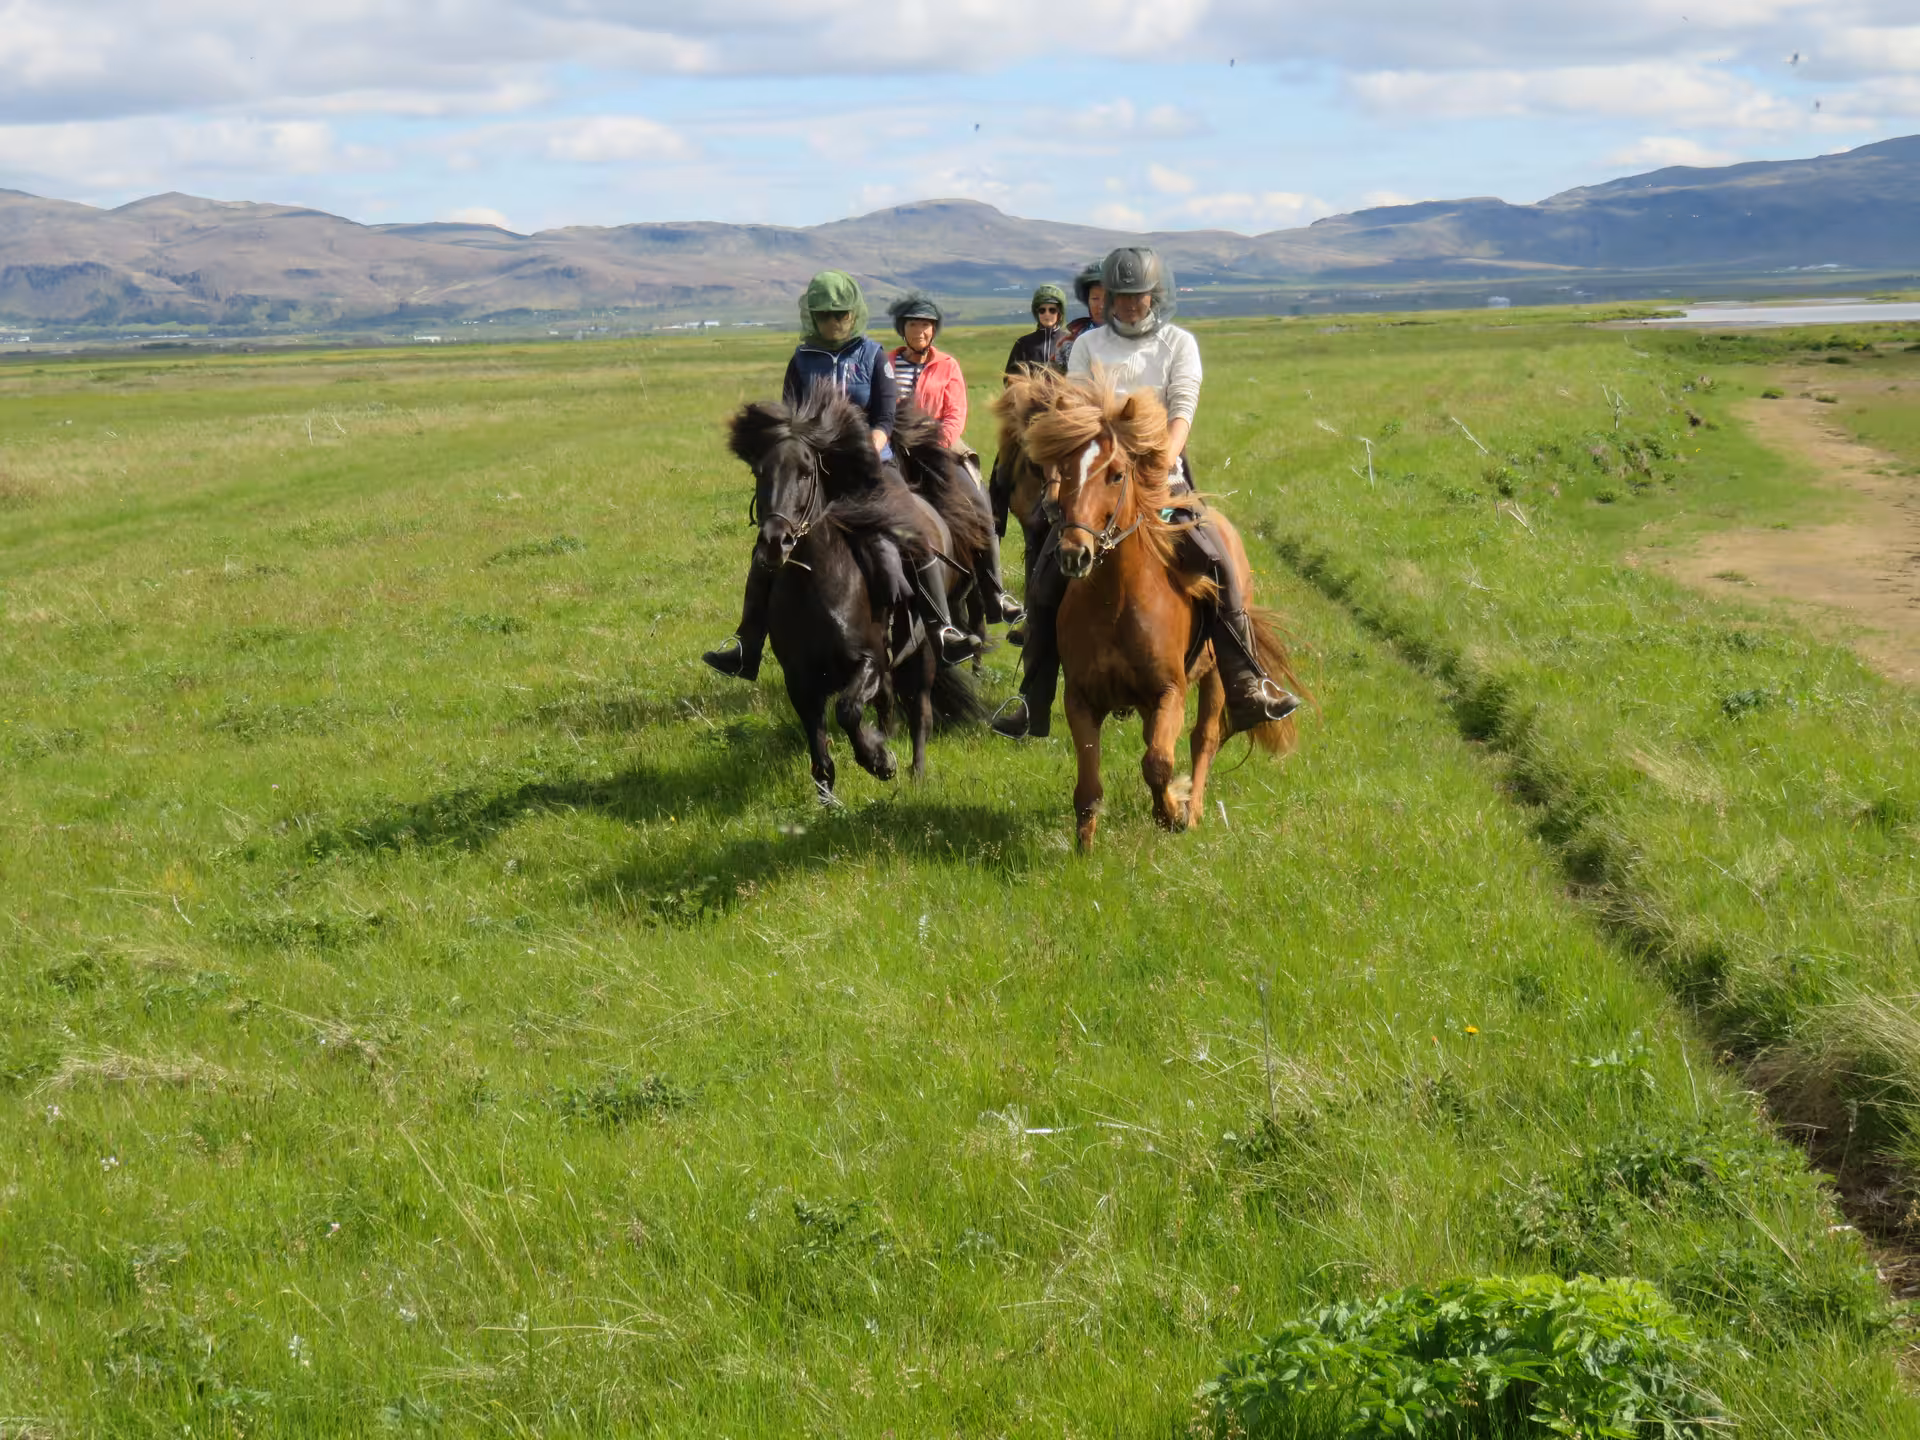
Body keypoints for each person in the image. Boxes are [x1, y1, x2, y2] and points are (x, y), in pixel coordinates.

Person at [993, 246, 1302, 738]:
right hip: (1099, 477)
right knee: (1047, 577)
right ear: (1108, 297)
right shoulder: (1089, 345)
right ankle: (1032, 699)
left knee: (1218, 559)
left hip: (1164, 476)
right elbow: (1076, 411)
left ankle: (1245, 684)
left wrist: (1162, 457)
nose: (1131, 306)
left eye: (1140, 297)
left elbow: (1182, 406)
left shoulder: (1179, 343)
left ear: (1155, 296)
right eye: (1122, 297)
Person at [704, 271, 976, 681]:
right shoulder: (801, 360)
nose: (835, 322)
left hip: (872, 466)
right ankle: (747, 643)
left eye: (842, 314)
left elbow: (885, 413)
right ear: (813, 317)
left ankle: (942, 629)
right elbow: (791, 419)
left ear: (855, 314)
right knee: (771, 540)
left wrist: (871, 443)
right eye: (827, 315)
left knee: (913, 531)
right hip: (815, 474)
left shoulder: (871, 355)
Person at [886, 291, 1023, 625]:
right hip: (893, 446)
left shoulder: (947, 365)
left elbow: (955, 413)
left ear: (935, 330)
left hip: (939, 445)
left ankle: (995, 593)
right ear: (902, 328)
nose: (920, 331)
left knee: (979, 503)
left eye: (927, 325)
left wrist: (936, 442)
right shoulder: (886, 363)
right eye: (914, 324)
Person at [1002, 283, 1072, 379]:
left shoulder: (1071, 342)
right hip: (1031, 394)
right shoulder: (1023, 344)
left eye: (1052, 310)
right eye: (1042, 310)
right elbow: (1010, 378)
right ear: (1037, 313)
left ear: (1059, 313)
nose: (1047, 314)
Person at [1059, 260, 1106, 365]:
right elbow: (1052, 378)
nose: (1101, 306)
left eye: (1108, 299)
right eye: (1095, 299)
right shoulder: (1069, 343)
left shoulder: (1133, 341)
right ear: (1087, 300)